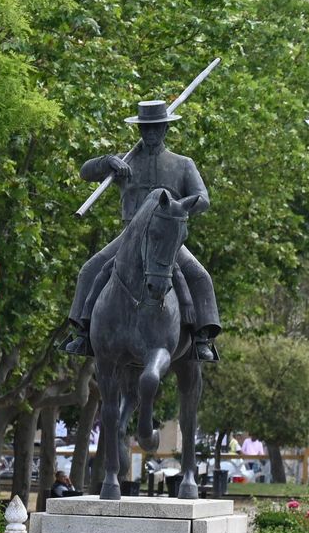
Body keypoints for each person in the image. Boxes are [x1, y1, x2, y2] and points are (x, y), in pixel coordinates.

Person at [60, 100, 220, 362]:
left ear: (165, 129)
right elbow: (84, 172)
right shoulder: (125, 162)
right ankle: (82, 332)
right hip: (130, 236)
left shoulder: (182, 164)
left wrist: (182, 207)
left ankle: (203, 338)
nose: (150, 134)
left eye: (156, 129)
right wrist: (106, 162)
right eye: (145, 129)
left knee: (201, 277)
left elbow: (203, 198)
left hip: (167, 239)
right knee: (90, 269)